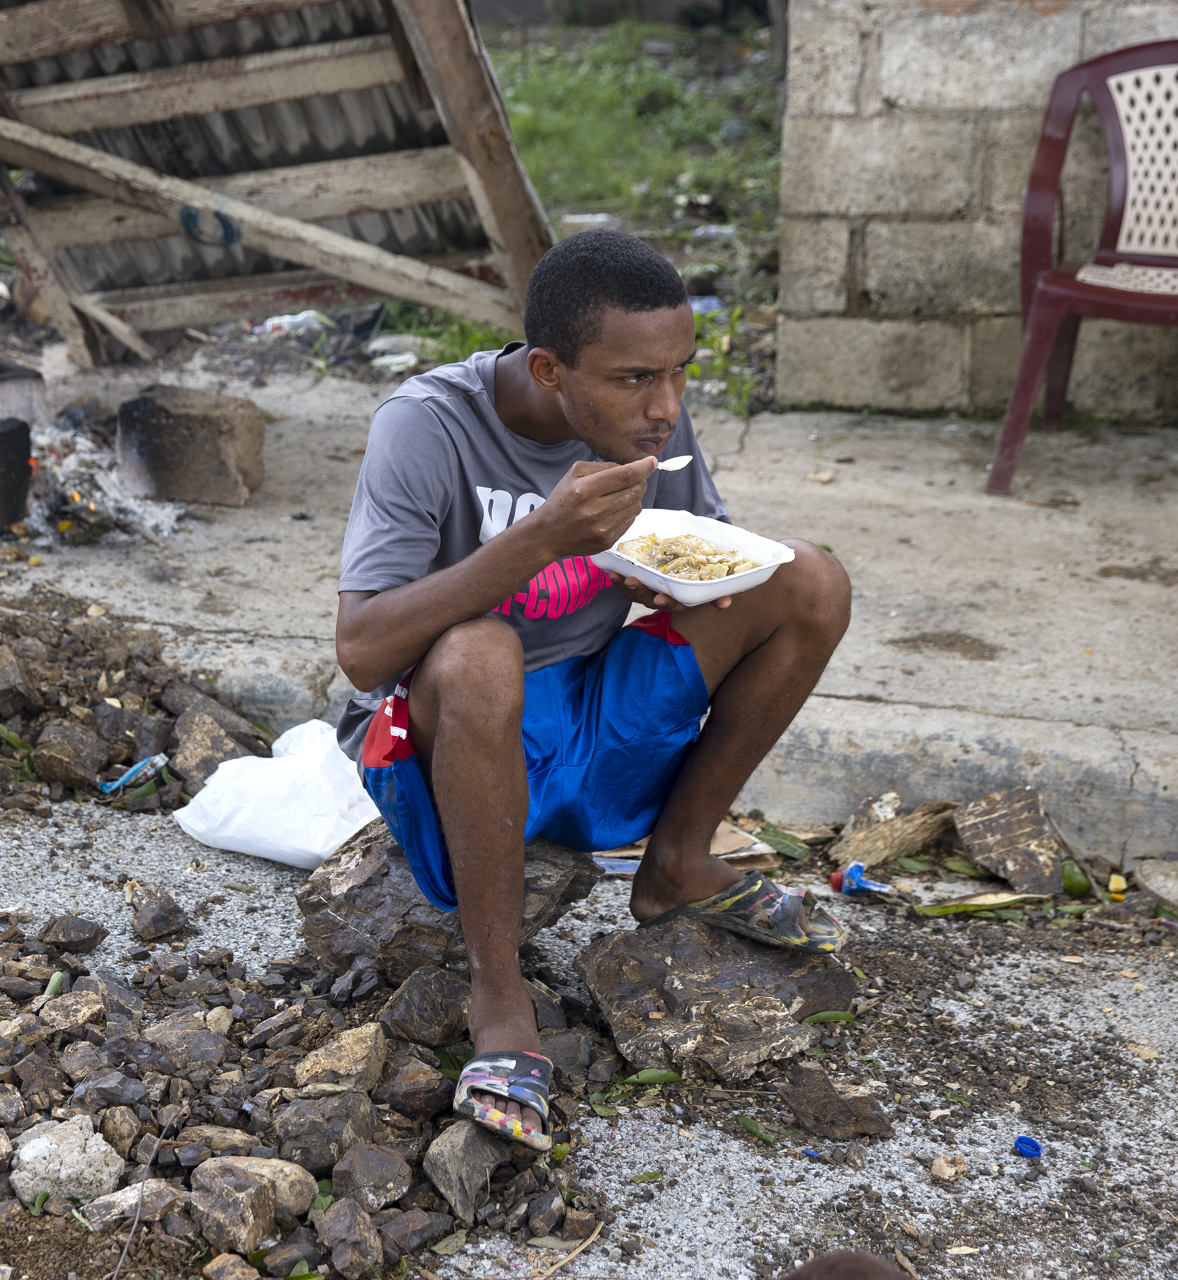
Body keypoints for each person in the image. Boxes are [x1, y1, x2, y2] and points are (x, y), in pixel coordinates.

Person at [333, 230, 852, 1152]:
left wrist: (678, 580)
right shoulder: (426, 425)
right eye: (636, 380)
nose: (666, 407)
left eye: (681, 374)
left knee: (810, 578)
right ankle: (500, 996)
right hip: (446, 743)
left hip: (589, 718)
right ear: (549, 367)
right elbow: (364, 651)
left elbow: (710, 551)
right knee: (478, 651)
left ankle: (676, 862)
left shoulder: (649, 420)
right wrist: (537, 540)